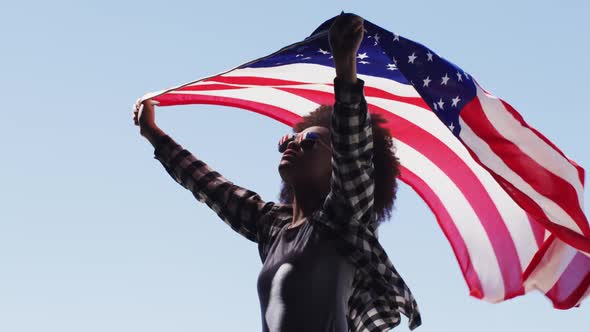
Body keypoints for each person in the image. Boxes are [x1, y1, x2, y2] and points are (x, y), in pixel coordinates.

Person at [133, 13, 421, 332]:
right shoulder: (273, 227)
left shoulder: (342, 218)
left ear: (335, 166)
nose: (293, 144)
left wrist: (345, 66)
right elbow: (213, 188)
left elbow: (354, 149)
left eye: (310, 142)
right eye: (289, 139)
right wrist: (154, 134)